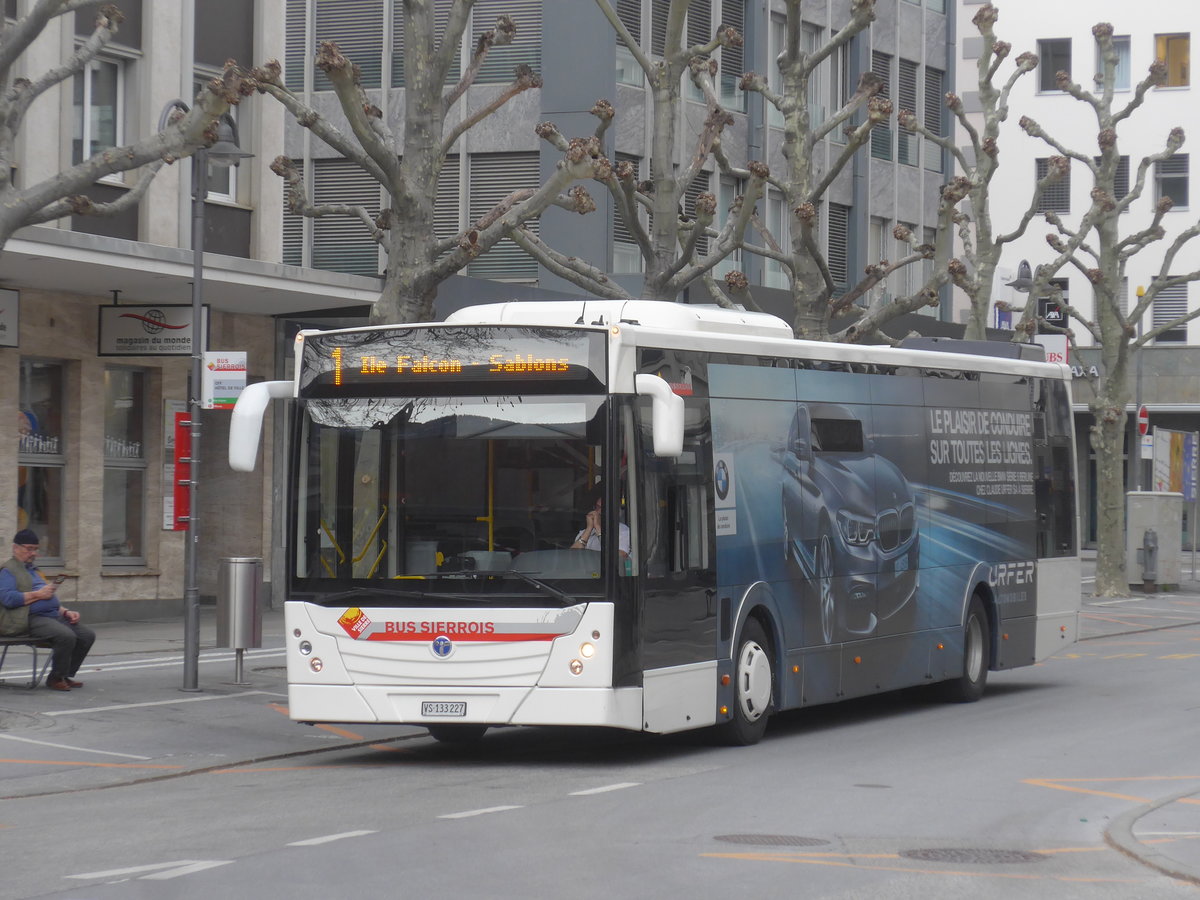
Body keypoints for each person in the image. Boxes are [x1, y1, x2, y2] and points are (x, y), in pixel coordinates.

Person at [0, 529, 95, 692]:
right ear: (16, 548)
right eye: (29, 549)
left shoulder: (35, 571)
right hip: (29, 617)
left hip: (52, 615)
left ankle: (65, 674)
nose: (33, 553)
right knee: (66, 636)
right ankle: (55, 678)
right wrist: (37, 594)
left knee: (87, 635)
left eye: (35, 549)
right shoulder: (8, 570)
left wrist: (65, 612)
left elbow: (47, 596)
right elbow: (8, 599)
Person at [570, 486, 630, 559]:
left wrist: (598, 528)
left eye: (603, 508)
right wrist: (589, 528)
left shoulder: (622, 530)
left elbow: (620, 556)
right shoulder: (585, 533)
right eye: (597, 507)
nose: (598, 512)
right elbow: (573, 556)